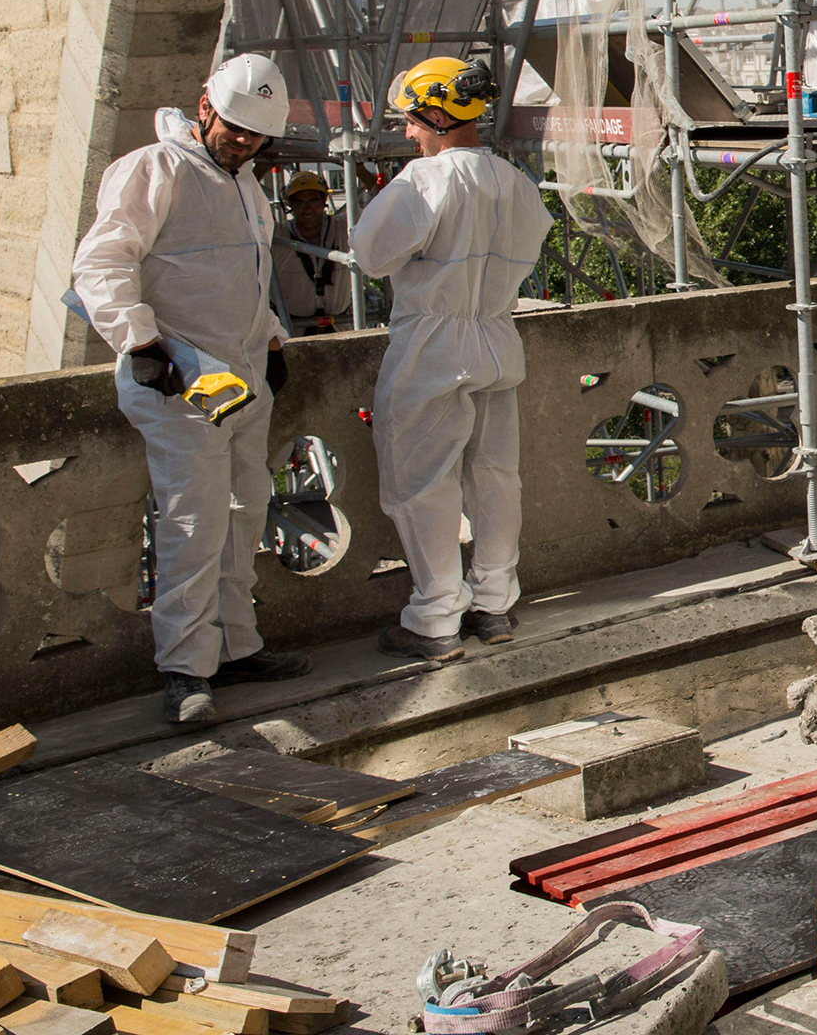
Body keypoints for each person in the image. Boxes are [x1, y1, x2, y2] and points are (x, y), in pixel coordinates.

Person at [72, 53, 314, 726]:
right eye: (234, 128)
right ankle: (185, 668)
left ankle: (235, 646)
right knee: (192, 522)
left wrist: (269, 339)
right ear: (205, 106)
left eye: (255, 136)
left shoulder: (243, 182)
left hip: (239, 378)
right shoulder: (155, 168)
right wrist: (139, 342)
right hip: (182, 378)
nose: (242, 142)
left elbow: (241, 273)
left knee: (243, 514)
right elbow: (103, 260)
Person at [352, 56, 555, 660]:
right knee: (495, 478)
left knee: (422, 482)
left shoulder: (423, 182)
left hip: (433, 347)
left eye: (413, 122)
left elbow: (370, 255)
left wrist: (387, 202)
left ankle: (437, 616)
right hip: (494, 337)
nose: (409, 133)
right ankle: (493, 605)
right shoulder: (514, 181)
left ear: (438, 115)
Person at [272, 170, 351, 335]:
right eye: (299, 203)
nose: (307, 210)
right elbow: (243, 208)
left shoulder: (342, 227)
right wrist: (258, 169)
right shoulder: (278, 236)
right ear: (290, 206)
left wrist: (359, 168)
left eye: (314, 202)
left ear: (324, 201)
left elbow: (381, 206)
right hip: (293, 328)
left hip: (339, 326)